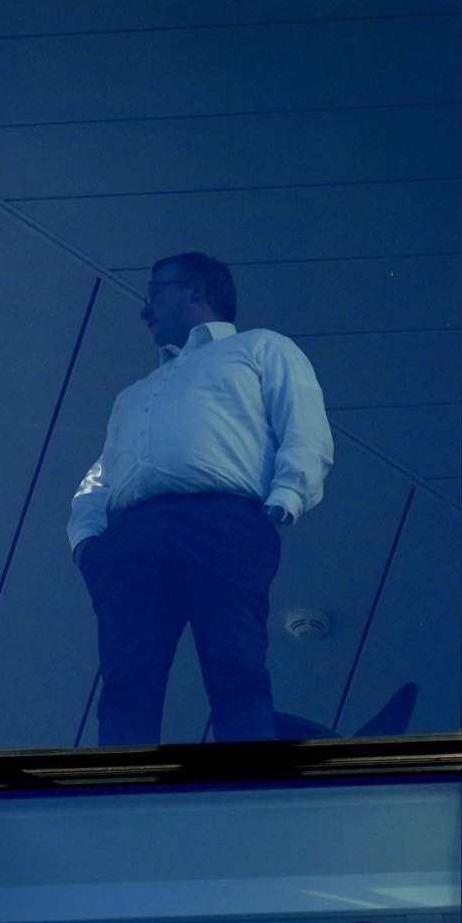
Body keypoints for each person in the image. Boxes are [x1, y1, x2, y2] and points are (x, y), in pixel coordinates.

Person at [68, 252, 333, 745]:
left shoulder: (259, 349)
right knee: (127, 684)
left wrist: (286, 496)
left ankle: (246, 786)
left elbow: (302, 424)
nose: (145, 310)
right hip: (134, 537)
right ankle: (118, 801)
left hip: (224, 522)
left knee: (235, 667)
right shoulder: (135, 394)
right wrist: (87, 541)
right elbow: (103, 473)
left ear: (196, 290)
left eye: (155, 293)